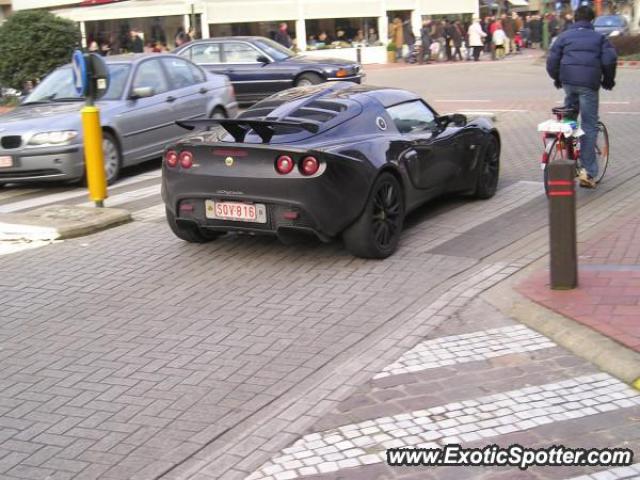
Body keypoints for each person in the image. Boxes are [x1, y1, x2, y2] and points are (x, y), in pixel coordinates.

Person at [546, 5, 617, 189]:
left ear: (575, 19)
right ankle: (588, 172)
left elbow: (552, 60)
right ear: (592, 20)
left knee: (569, 119)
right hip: (588, 86)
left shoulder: (564, 36)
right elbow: (609, 60)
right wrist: (608, 80)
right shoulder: (599, 38)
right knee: (589, 125)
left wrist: (557, 78)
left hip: (569, 83)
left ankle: (567, 155)